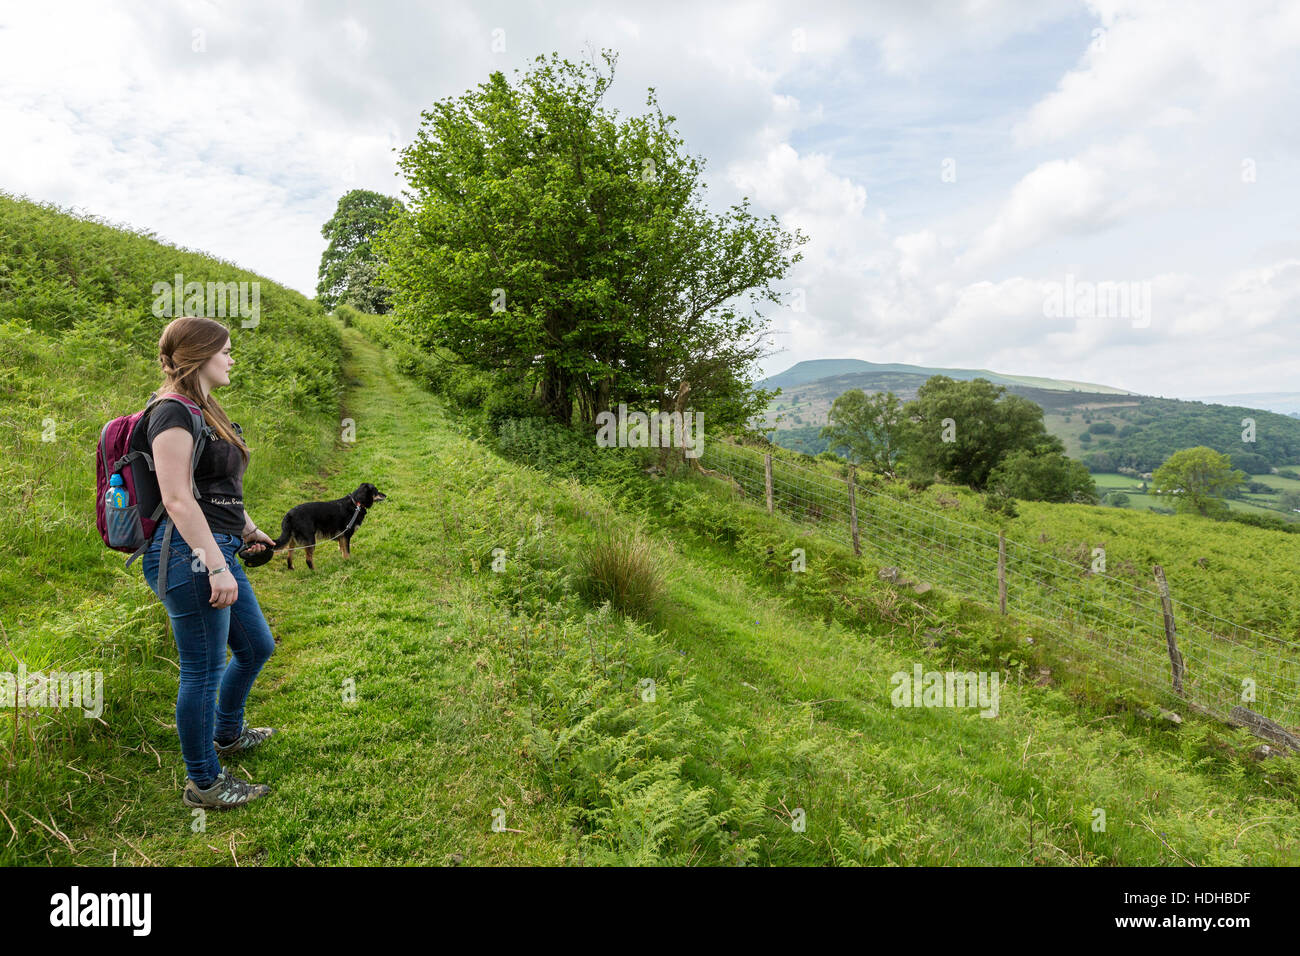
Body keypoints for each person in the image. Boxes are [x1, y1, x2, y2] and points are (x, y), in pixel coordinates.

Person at [140, 315, 277, 809]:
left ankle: (228, 733)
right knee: (201, 669)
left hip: (215, 545)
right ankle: (204, 784)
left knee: (257, 647)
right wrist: (216, 566)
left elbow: (212, 491)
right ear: (200, 355)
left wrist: (247, 530)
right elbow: (177, 498)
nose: (231, 358)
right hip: (187, 555)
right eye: (225, 350)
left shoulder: (203, 408)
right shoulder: (171, 412)